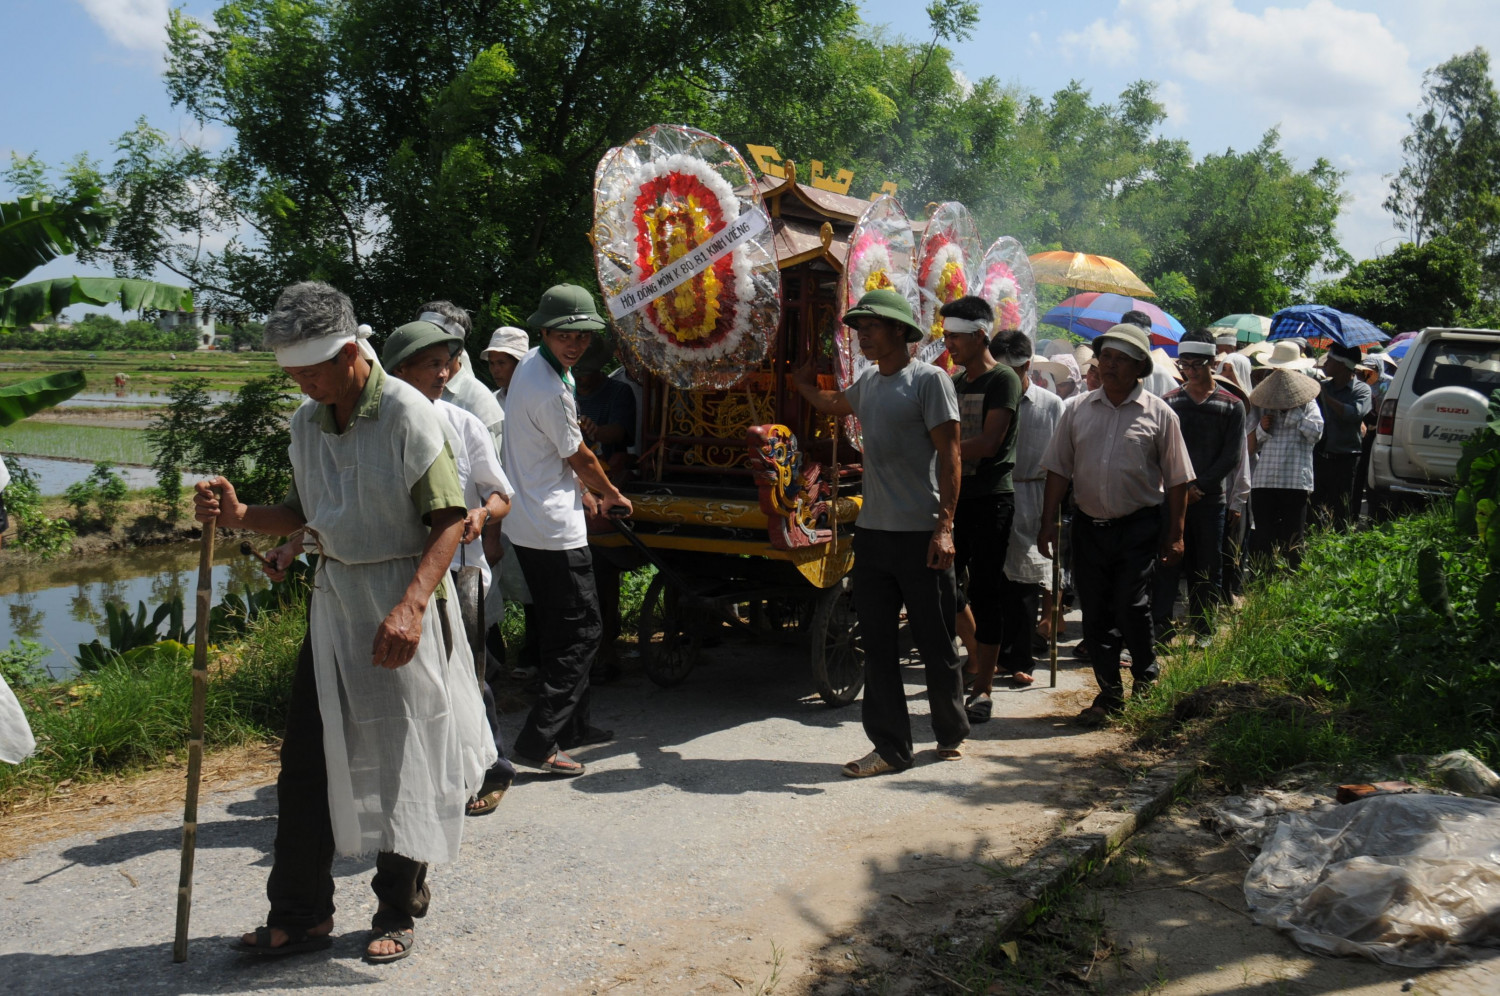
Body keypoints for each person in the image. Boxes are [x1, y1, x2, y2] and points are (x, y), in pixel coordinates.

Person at [197, 281, 494, 964]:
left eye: (311, 370)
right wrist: (244, 518)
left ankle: (397, 906)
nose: (300, 384)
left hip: (402, 600)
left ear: (352, 352)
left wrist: (412, 606)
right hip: (334, 608)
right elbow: (307, 511)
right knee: (305, 764)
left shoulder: (410, 415)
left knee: (405, 761)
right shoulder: (306, 424)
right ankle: (300, 914)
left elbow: (449, 521)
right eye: (292, 373)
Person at [792, 288, 966, 776]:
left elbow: (951, 456)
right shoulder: (869, 383)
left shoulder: (930, 382)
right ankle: (891, 747)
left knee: (934, 638)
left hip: (921, 533)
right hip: (874, 534)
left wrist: (945, 527)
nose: (862, 334)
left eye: (871, 326)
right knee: (878, 642)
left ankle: (950, 729)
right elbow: (834, 403)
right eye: (859, 327)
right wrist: (803, 385)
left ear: (899, 331)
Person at [382, 320, 518, 818]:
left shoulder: (464, 424)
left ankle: (493, 768)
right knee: (410, 679)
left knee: (470, 675)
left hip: (461, 572)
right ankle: (427, 776)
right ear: (399, 371)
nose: (443, 374)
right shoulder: (377, 428)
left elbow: (501, 494)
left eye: (447, 363)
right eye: (431, 364)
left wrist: (484, 514)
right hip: (397, 574)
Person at [503, 283, 632, 776]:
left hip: (534, 517)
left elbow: (552, 453)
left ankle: (573, 727)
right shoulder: (550, 388)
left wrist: (584, 491)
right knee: (582, 634)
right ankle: (539, 742)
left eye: (581, 335)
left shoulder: (539, 367)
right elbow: (579, 454)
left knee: (564, 631)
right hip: (553, 529)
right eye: (564, 336)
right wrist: (612, 494)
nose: (574, 344)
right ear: (544, 332)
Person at [1038, 323, 1193, 725]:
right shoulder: (1077, 408)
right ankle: (1109, 695)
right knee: (1095, 610)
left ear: (1140, 367)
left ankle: (1146, 673)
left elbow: (1178, 480)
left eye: (1120, 359)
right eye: (1105, 356)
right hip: (1088, 526)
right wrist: (1048, 522)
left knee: (1130, 602)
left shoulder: (1160, 414)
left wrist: (1175, 535)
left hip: (1139, 525)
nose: (1109, 365)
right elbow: (1058, 469)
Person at [938, 296, 1021, 722]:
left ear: (979, 335)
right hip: (955, 496)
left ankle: (984, 688)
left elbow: (988, 444)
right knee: (944, 585)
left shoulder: (1002, 380)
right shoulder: (953, 383)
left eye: (954, 336)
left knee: (986, 590)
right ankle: (974, 658)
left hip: (990, 498)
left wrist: (936, 453)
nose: (948, 343)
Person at [1152, 330, 1246, 644]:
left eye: (1197, 365)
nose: (1190, 370)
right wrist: (1182, 487)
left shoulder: (1232, 405)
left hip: (1210, 500)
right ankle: (1161, 628)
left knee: (1207, 566)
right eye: (1185, 364)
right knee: (1167, 561)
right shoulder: (1170, 402)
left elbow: (1231, 456)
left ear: (1212, 363)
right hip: (1173, 496)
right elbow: (1161, 452)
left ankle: (1203, 629)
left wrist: (1197, 487)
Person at [991, 330, 1065, 696]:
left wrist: (1052, 512)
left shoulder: (1051, 405)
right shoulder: (986, 397)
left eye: (1013, 371)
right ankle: (997, 653)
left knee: (1024, 582)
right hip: (993, 491)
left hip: (1033, 491)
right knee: (993, 580)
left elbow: (1063, 461)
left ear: (1027, 367)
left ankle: (1021, 658)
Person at [574, 333, 638, 682]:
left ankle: (606, 648)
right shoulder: (563, 390)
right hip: (573, 482)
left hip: (606, 479)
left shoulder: (618, 392)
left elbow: (621, 432)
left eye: (588, 371)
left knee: (601, 560)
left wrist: (596, 432)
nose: (582, 377)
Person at [1246, 367, 1324, 569]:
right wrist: (1262, 427)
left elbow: (1316, 434)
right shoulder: (1264, 405)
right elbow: (1253, 444)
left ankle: (1291, 579)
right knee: (1263, 534)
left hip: (1295, 480)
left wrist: (1295, 413)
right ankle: (1261, 578)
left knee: (1293, 535)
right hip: (1265, 479)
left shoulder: (1308, 404)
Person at [1311, 343, 1372, 530]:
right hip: (1320, 457)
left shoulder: (1362, 390)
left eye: (1330, 360)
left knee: (1341, 511)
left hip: (1345, 460)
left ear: (1342, 365)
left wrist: (1326, 398)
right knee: (1313, 509)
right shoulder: (1322, 386)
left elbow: (1353, 414)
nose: (1326, 364)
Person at [483, 325, 529, 403]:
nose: (495, 370)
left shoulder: (537, 399)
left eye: (501, 363)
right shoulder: (491, 401)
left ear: (519, 363)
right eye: (491, 363)